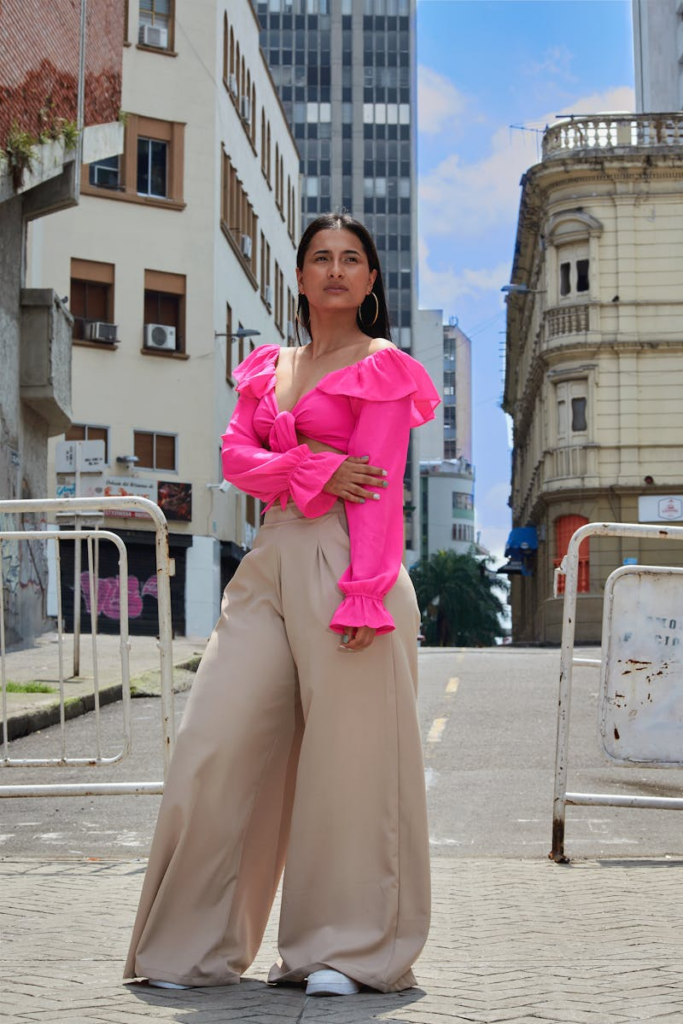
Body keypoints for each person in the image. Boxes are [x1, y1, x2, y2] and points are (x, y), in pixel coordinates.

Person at [123, 212, 440, 997]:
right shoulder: (267, 369)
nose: (334, 269)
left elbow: (375, 488)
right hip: (267, 562)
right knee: (213, 744)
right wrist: (310, 469)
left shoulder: (384, 367)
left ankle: (345, 950)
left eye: (351, 259)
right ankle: (190, 949)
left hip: (349, 567)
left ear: (370, 281)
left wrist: (365, 593)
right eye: (320, 258)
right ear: (298, 278)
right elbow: (235, 459)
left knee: (351, 768)